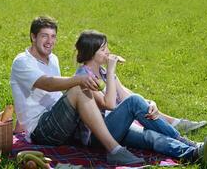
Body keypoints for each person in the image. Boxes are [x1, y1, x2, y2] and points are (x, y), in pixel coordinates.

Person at [11, 16, 146, 165]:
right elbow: (48, 84)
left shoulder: (53, 59)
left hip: (60, 122)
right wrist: (79, 80)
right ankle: (115, 151)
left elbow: (52, 95)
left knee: (137, 131)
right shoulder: (22, 61)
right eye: (44, 36)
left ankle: (171, 140)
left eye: (53, 36)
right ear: (33, 37)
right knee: (78, 89)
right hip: (41, 130)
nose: (50, 41)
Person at [73, 29, 207, 166]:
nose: (108, 52)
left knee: (151, 137)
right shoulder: (82, 78)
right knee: (135, 101)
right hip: (98, 138)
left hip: (118, 128)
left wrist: (150, 104)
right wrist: (111, 70)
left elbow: (125, 97)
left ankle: (194, 154)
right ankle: (187, 142)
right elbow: (110, 104)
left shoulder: (103, 73)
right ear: (91, 53)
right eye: (103, 49)